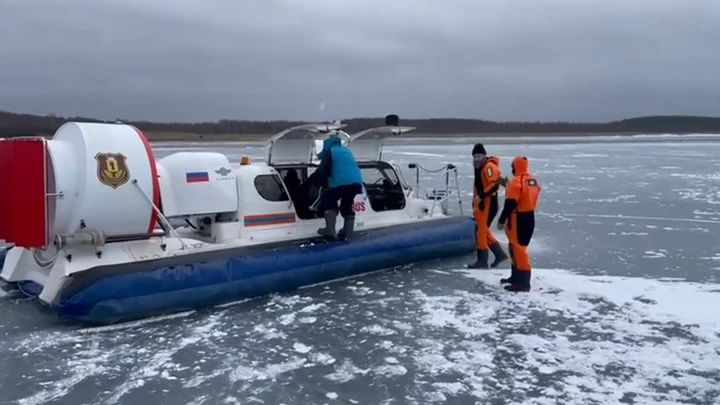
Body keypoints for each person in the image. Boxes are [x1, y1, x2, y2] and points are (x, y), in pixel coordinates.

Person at [305, 134, 364, 240]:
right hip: (356, 182)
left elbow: (323, 170)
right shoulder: (345, 151)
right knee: (347, 204)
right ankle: (348, 232)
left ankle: (330, 230)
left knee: (328, 199)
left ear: (327, 145)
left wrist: (311, 181)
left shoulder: (330, 152)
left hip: (342, 182)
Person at [496, 156, 541, 292]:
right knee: (515, 247)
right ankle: (516, 276)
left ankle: (523, 282)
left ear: (515, 166)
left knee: (518, 249)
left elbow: (511, 203)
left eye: (512, 166)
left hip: (517, 218)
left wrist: (501, 220)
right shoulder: (532, 180)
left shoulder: (516, 182)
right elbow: (532, 191)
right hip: (529, 216)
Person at [467, 143, 509, 269]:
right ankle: (499, 254)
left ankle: (482, 261)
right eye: (475, 156)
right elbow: (500, 181)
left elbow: (494, 184)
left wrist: (482, 196)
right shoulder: (481, 167)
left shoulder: (488, 167)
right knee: (481, 231)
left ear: (484, 156)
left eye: (479, 156)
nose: (476, 159)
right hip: (482, 205)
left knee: (480, 231)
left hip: (488, 204)